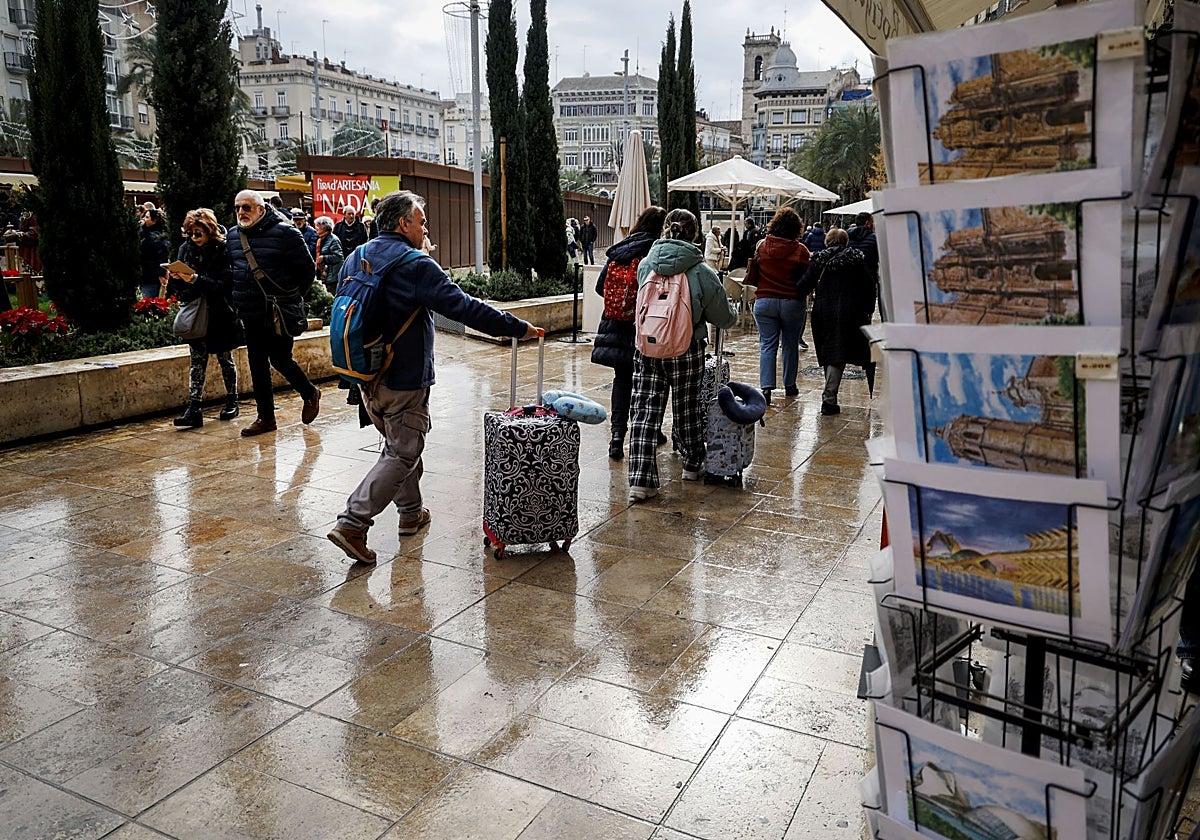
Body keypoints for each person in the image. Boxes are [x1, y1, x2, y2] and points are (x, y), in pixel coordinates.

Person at [326, 190, 541, 565]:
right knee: (403, 449)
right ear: (403, 223)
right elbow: (464, 308)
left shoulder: (355, 257)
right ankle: (353, 523)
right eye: (421, 221)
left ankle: (411, 514)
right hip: (403, 377)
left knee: (399, 444)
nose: (425, 227)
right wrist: (516, 327)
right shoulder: (415, 265)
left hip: (366, 375)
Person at [627, 208, 738, 503]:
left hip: (647, 346)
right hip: (686, 348)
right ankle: (692, 464)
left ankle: (641, 481)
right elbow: (723, 316)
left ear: (665, 231)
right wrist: (734, 311)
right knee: (686, 407)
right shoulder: (701, 271)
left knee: (644, 412)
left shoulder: (646, 264)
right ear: (694, 234)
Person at [227, 189, 321, 436]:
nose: (241, 212)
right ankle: (265, 418)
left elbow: (307, 271)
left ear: (261, 209)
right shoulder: (233, 236)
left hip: (278, 310)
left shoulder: (285, 233)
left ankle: (309, 392)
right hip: (250, 311)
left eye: (246, 207)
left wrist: (289, 297)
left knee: (280, 359)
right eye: (237, 207)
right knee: (257, 364)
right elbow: (233, 270)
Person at [591, 205, 667, 461]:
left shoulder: (621, 249)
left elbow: (600, 287)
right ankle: (651, 431)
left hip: (616, 326)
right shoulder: (656, 252)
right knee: (652, 382)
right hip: (646, 327)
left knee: (622, 380)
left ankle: (616, 438)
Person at [166, 208, 242, 427]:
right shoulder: (185, 249)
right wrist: (179, 278)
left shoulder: (222, 251)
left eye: (198, 233)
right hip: (197, 312)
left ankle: (232, 400)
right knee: (197, 362)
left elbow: (224, 285)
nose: (193, 238)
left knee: (225, 358)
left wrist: (196, 279)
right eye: (190, 233)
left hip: (220, 314)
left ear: (209, 231)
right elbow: (179, 288)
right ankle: (194, 407)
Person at [799, 227, 875, 416]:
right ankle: (829, 398)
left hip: (823, 310)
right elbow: (869, 285)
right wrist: (868, 310)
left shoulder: (818, 259)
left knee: (831, 351)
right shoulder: (856, 259)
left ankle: (830, 397)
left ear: (827, 241)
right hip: (849, 311)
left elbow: (804, 284)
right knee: (837, 352)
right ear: (845, 241)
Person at [747, 207, 810, 405]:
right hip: (792, 302)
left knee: (767, 345)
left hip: (764, 301)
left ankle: (766, 388)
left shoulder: (761, 246)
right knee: (790, 343)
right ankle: (789, 385)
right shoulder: (801, 250)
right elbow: (808, 277)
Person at [847, 210, 881, 314]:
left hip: (849, 279)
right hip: (869, 279)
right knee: (866, 312)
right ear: (867, 223)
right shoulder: (874, 238)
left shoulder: (847, 237)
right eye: (872, 222)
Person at [138, 207, 170, 299]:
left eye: (147, 217)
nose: (144, 219)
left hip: (151, 276)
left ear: (154, 220)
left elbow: (162, 256)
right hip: (144, 274)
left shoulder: (157, 237)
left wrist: (161, 274)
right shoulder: (144, 233)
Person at [314, 216, 345, 293]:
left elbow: (339, 257)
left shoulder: (333, 240)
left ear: (324, 227)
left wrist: (323, 258)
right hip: (326, 274)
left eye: (318, 226)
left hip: (333, 277)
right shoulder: (321, 239)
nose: (316, 228)